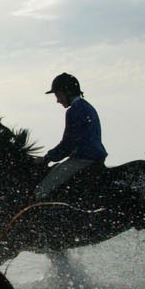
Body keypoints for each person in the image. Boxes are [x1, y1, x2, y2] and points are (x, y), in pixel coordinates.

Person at [36, 71, 107, 199]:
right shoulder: (87, 107)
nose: (57, 100)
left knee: (42, 190)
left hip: (83, 159)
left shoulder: (74, 111)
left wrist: (47, 158)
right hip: (96, 158)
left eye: (58, 95)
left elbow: (68, 144)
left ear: (67, 92)